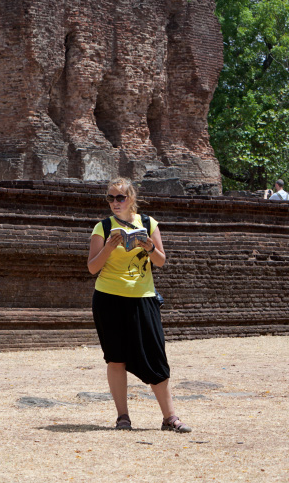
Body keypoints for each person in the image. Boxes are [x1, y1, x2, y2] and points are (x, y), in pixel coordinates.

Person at [86, 177, 191, 433]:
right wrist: (109, 248)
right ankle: (123, 417)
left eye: (120, 198)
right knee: (116, 358)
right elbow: (92, 268)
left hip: (143, 297)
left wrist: (150, 246)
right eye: (110, 198)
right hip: (109, 298)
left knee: (156, 356)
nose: (115, 203)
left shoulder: (148, 223)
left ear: (131, 198)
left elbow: (161, 261)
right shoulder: (102, 228)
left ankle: (170, 417)